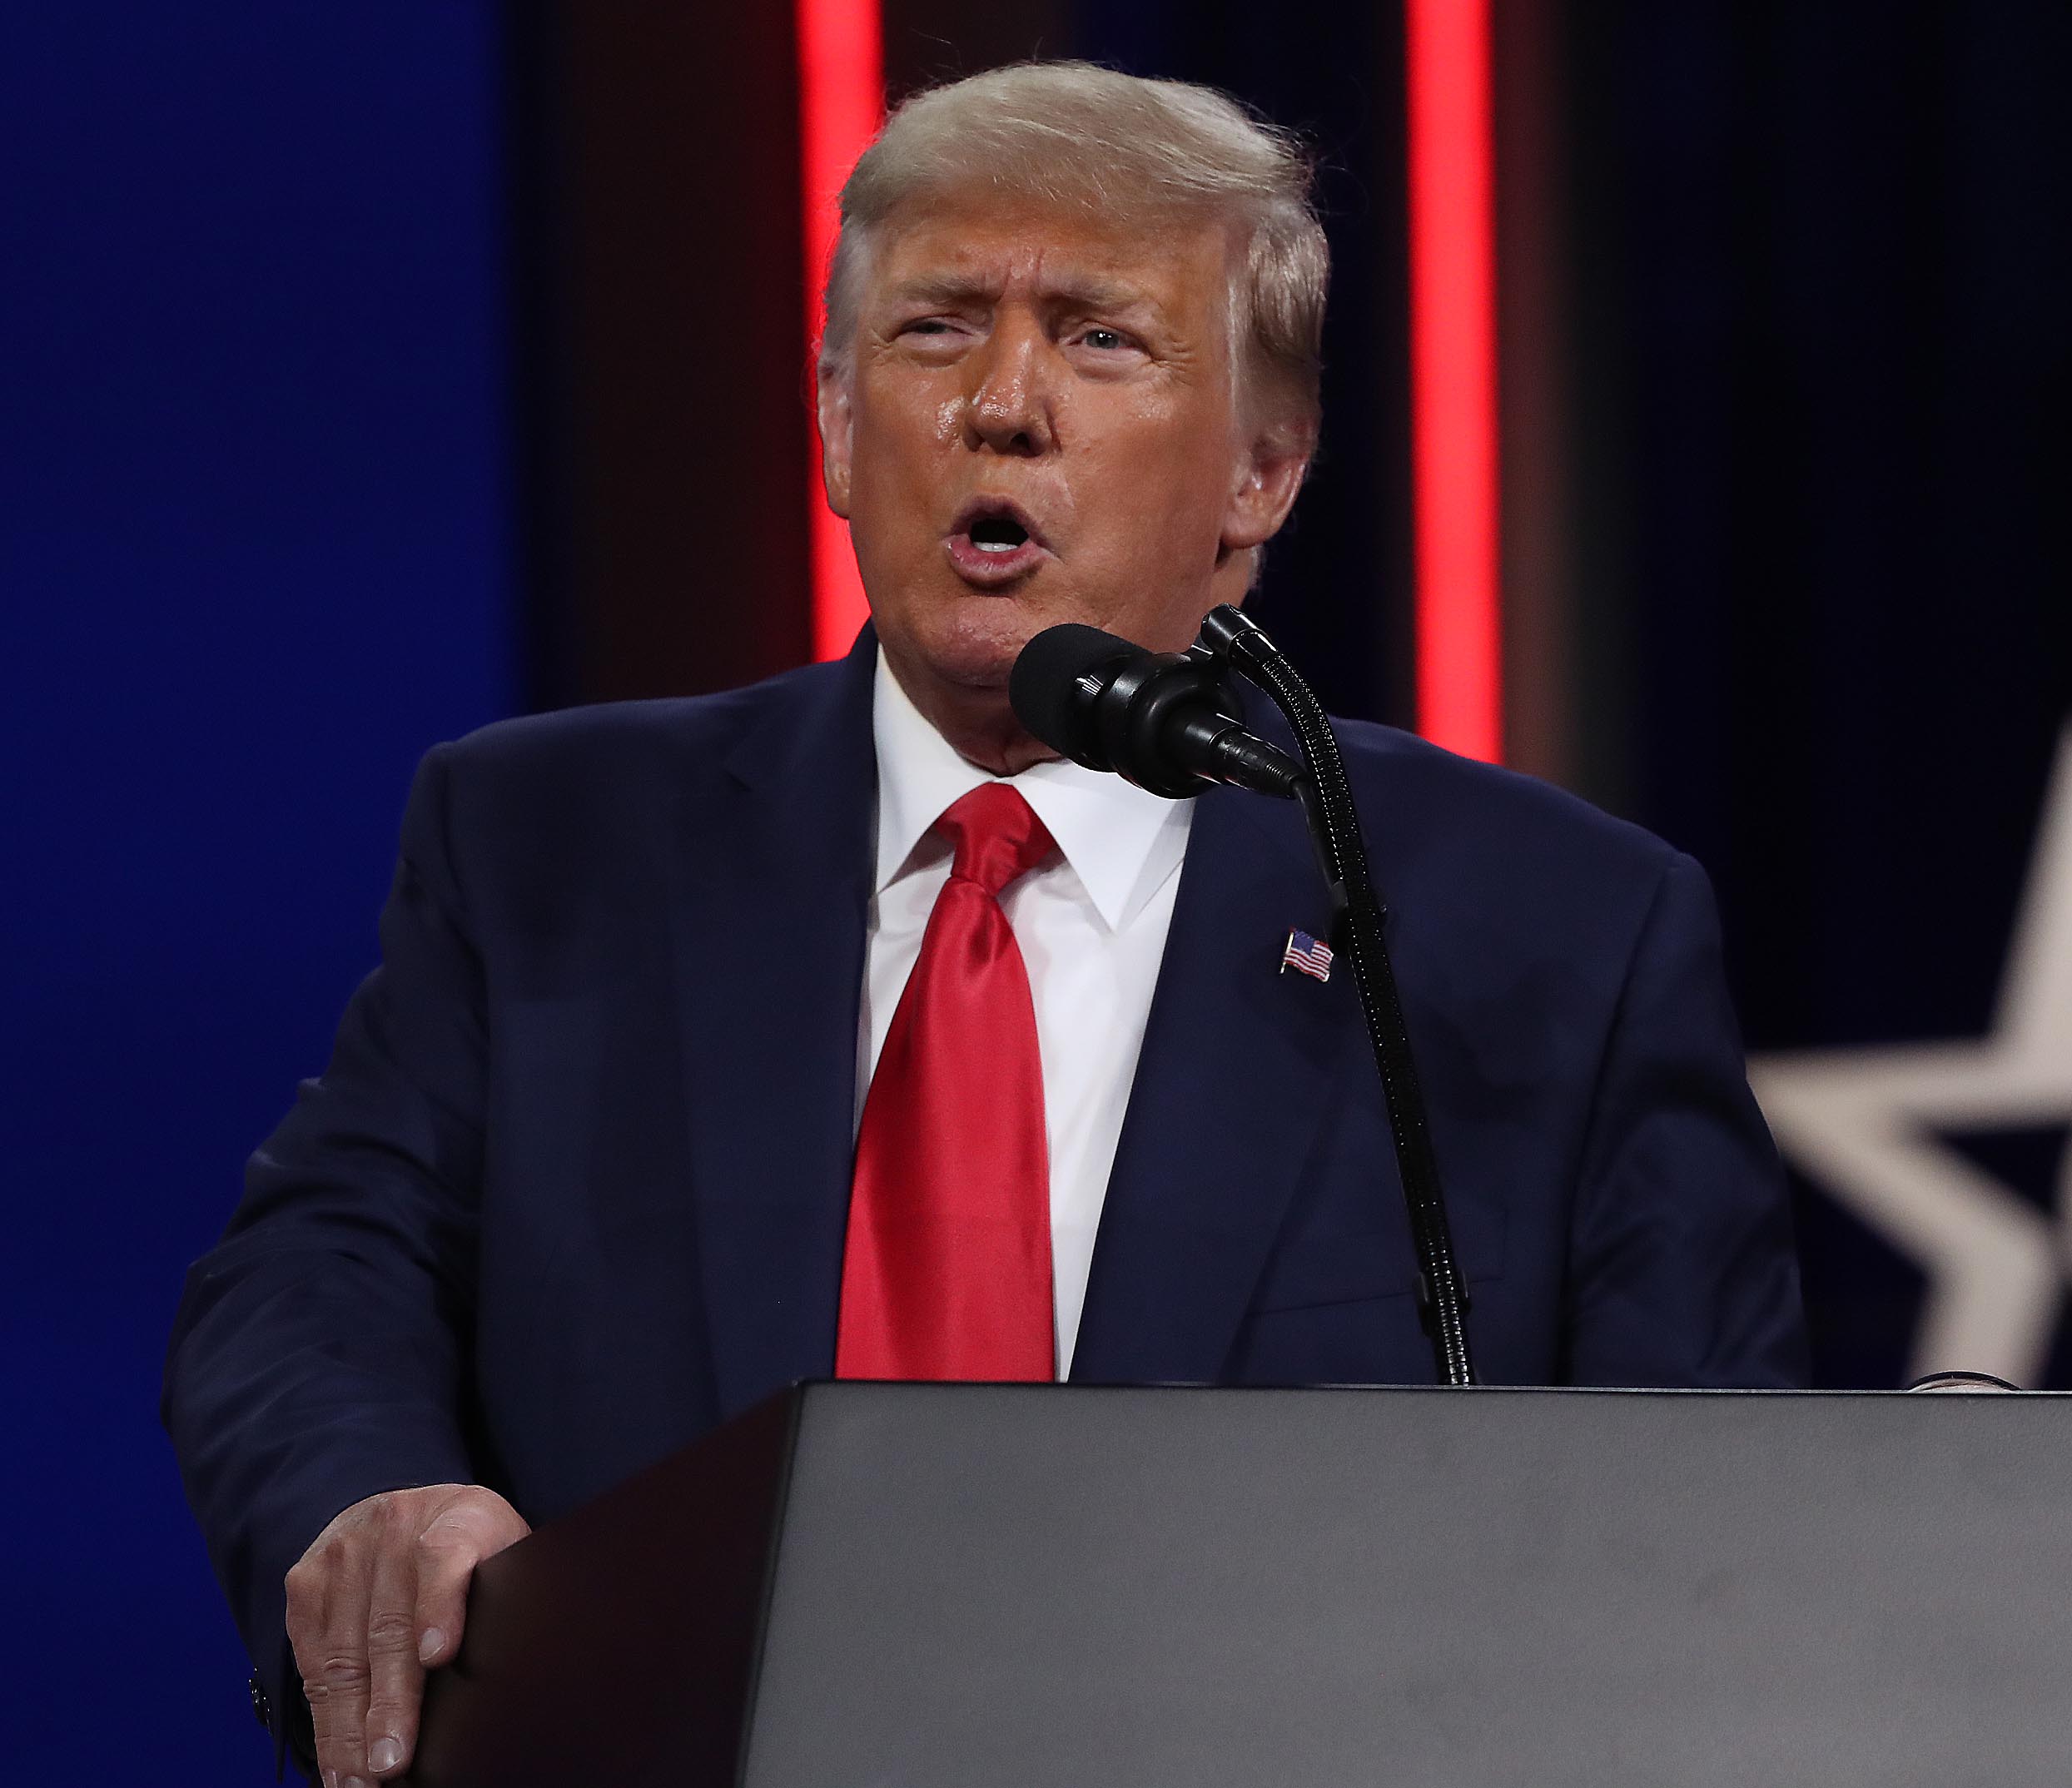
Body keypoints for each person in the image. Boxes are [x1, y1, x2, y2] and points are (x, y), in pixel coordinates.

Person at [164, 61, 1805, 1785]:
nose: (1002, 406)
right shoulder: (548, 843)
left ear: (1262, 476)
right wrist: (374, 1499)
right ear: (832, 427)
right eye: (938, 330)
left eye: (1101, 339)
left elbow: (1701, 1532)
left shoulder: (1540, 934)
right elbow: (310, 1276)